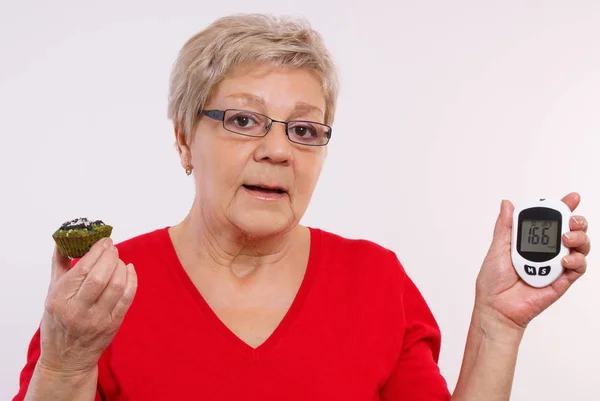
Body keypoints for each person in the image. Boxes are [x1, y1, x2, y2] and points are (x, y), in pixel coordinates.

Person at [13, 13, 591, 401]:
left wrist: (497, 328)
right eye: (243, 121)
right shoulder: (99, 293)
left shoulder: (374, 281)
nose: (277, 151)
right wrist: (65, 364)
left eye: (305, 129)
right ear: (185, 139)